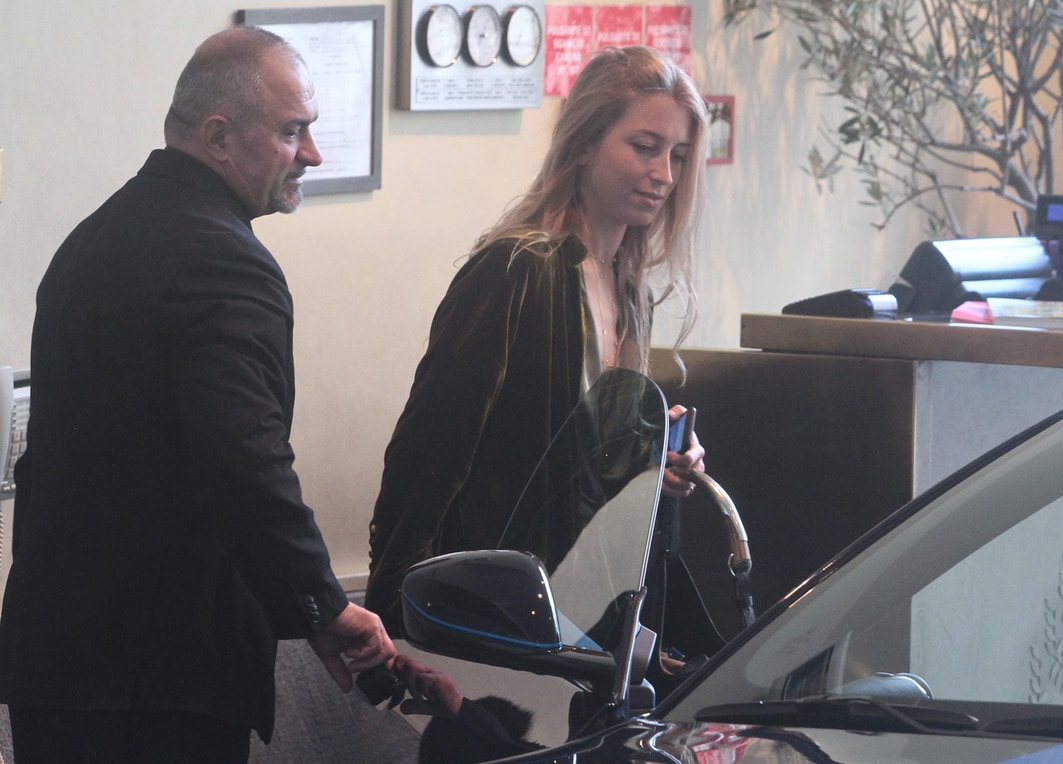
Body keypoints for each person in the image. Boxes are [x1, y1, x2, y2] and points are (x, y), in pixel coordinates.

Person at [0, 27, 395, 763]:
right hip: (157, 679)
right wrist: (322, 604)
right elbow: (246, 463)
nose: (312, 153)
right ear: (218, 137)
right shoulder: (223, 261)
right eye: (293, 131)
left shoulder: (93, 238)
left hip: (59, 658)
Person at [365, 45, 709, 634]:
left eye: (677, 155)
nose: (665, 175)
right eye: (644, 147)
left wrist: (661, 457)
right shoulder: (517, 268)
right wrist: (393, 613)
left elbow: (586, 469)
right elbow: (429, 452)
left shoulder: (632, 290)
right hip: (491, 607)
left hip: (582, 607)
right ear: (583, 144)